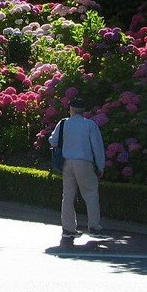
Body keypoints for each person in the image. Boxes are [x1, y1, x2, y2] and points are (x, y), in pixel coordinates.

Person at [49, 96, 106, 243]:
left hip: (67, 163)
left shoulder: (63, 124)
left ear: (71, 109)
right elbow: (97, 148)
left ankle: (68, 228)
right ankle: (94, 226)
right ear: (84, 111)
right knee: (91, 194)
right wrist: (100, 166)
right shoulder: (90, 125)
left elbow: (53, 141)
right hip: (85, 162)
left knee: (67, 196)